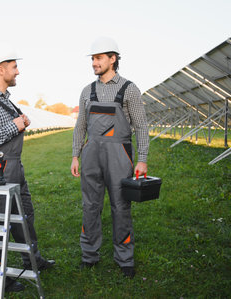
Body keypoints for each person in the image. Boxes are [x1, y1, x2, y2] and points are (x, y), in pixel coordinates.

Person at [0, 42, 55, 292]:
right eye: (14, 67)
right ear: (1, 68)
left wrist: (20, 122)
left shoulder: (5, 100)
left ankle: (33, 262)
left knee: (25, 219)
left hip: (14, 169)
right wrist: (14, 126)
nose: (18, 72)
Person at [70, 36, 149, 278]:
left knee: (121, 207)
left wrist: (142, 159)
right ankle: (89, 255)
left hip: (119, 156)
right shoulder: (87, 91)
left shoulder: (129, 89)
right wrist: (75, 155)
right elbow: (80, 126)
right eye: (93, 58)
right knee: (90, 206)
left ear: (112, 59)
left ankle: (125, 259)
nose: (94, 63)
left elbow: (142, 126)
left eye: (99, 58)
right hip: (91, 155)